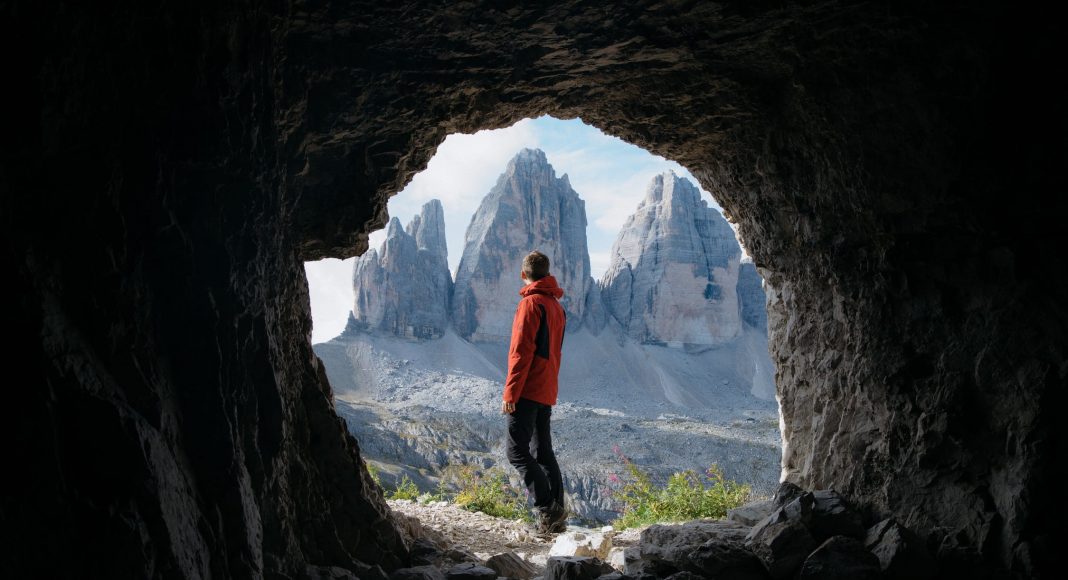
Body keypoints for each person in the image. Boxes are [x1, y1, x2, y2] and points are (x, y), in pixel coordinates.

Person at [502, 250, 568, 534]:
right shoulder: (556, 306)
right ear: (548, 272)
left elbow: (521, 352)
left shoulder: (531, 304)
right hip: (547, 387)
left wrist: (510, 393)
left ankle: (548, 510)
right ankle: (557, 518)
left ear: (523, 274)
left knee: (516, 451)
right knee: (543, 453)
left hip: (528, 388)